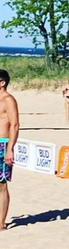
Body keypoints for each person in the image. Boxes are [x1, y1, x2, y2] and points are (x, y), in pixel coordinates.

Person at [0, 70, 19, 231]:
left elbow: (15, 124)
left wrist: (10, 149)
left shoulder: (8, 100)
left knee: (1, 185)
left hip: (2, 144)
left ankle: (1, 223)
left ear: (2, 82)